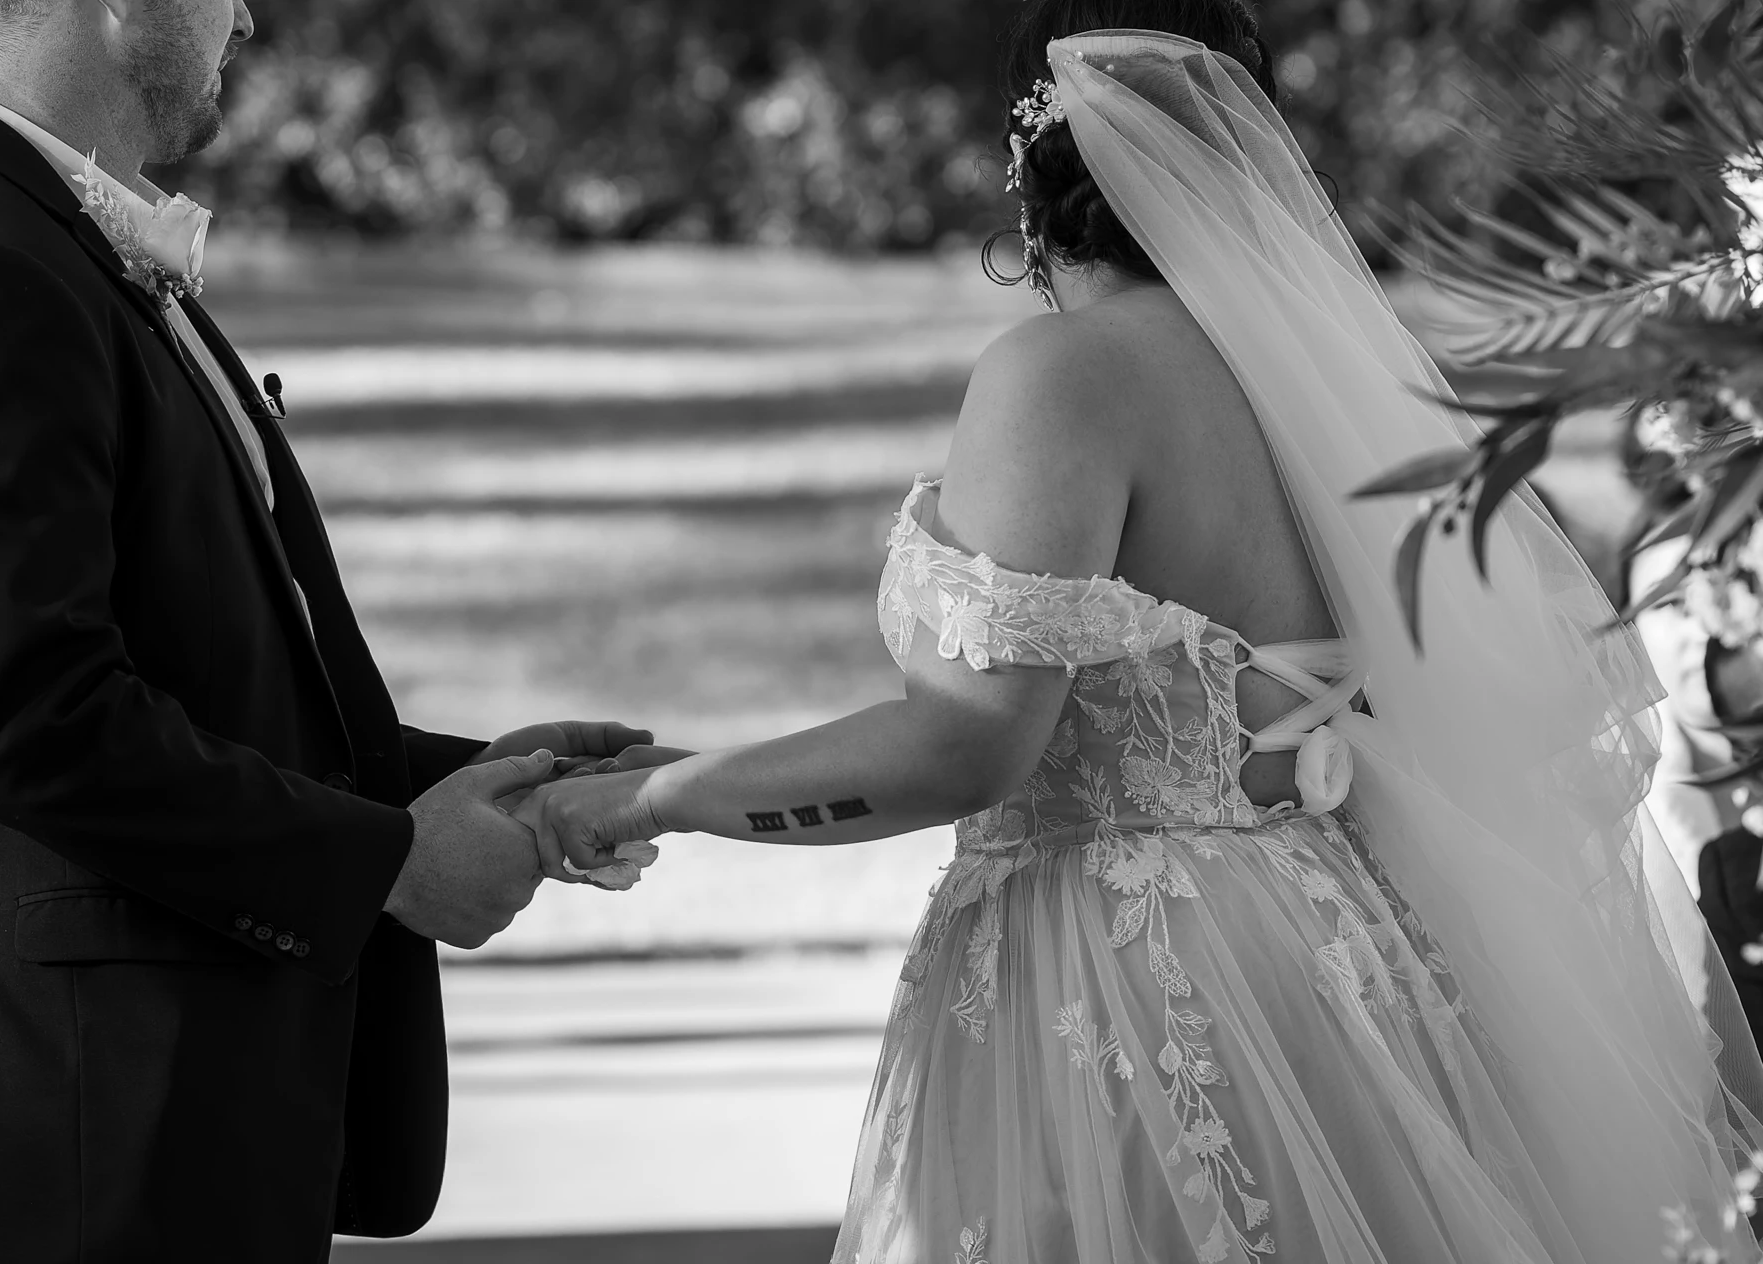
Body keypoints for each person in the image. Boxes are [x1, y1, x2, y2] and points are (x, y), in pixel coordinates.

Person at [522, 3, 1763, 1260]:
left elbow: (967, 748)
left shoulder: (1064, 379)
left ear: (1030, 162)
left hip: (1129, 986)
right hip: (1349, 964)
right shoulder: (1350, 391)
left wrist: (654, 797)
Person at [0, 1, 650, 1259]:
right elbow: (38, 728)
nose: (244, 13)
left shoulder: (62, 245)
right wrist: (388, 860)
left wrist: (482, 782)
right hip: (76, 1147)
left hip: (166, 1127)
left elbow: (198, 675)